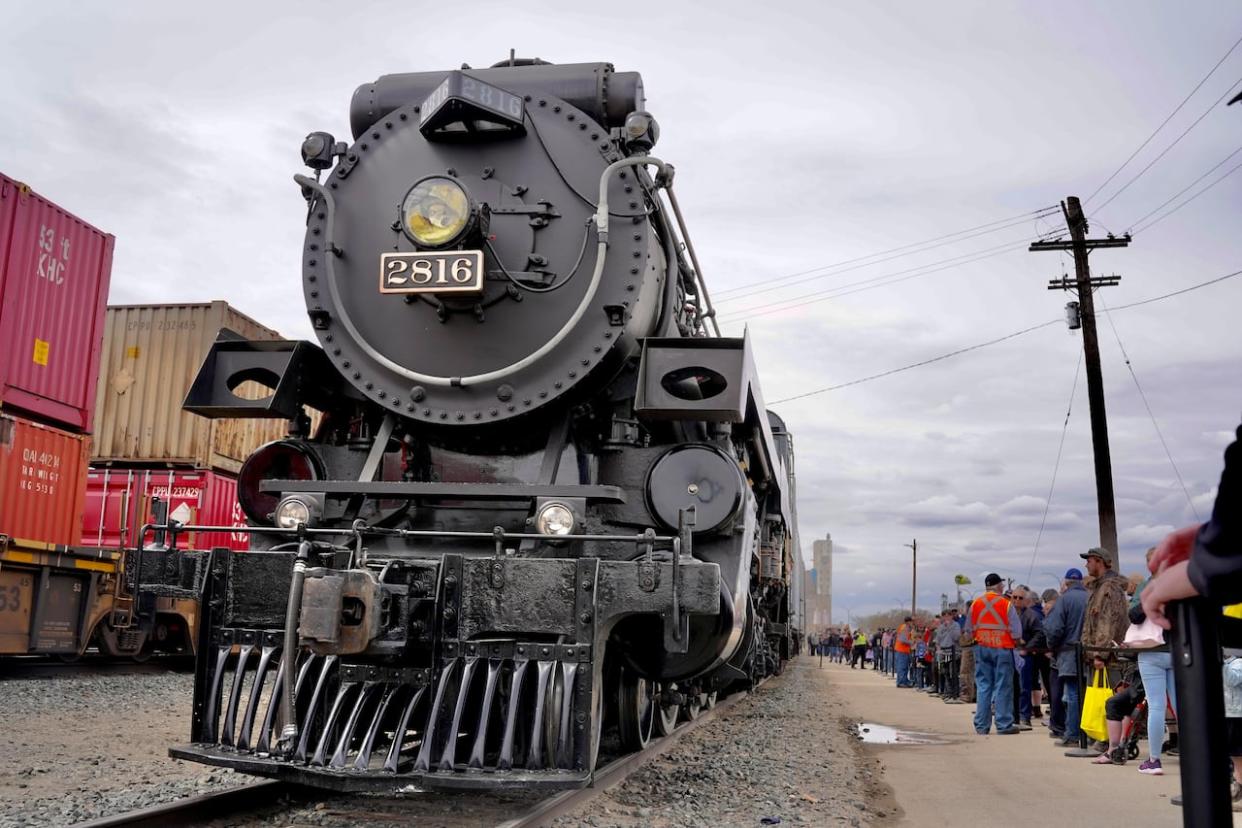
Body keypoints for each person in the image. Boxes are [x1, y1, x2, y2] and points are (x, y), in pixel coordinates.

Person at [966, 573, 1023, 735]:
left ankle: (982, 726)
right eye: (1002, 585)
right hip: (1002, 648)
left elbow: (968, 630)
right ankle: (1004, 724)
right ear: (998, 586)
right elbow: (1017, 632)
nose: (1003, 587)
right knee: (1003, 686)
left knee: (984, 686)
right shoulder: (1006, 604)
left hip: (981, 647)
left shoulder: (975, 604)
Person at [1043, 568, 1088, 746]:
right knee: (1087, 694)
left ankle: (1072, 734)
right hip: (1091, 654)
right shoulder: (1091, 597)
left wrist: (1052, 647)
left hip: (1069, 654)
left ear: (1066, 583)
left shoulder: (1064, 600)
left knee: (1071, 694)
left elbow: (1053, 628)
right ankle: (1089, 734)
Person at [935, 608, 962, 703]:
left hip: (954, 652)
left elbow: (956, 637)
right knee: (945, 673)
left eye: (948, 615)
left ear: (951, 616)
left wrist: (949, 627)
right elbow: (938, 640)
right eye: (944, 615)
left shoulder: (956, 625)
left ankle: (955, 693)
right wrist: (938, 650)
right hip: (944, 652)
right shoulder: (941, 627)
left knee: (953, 673)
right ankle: (948, 692)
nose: (946, 617)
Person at [894, 616, 914, 688]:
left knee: (903, 667)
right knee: (902, 667)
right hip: (902, 650)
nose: (912, 623)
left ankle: (903, 681)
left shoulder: (904, 627)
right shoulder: (905, 628)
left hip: (902, 650)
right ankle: (902, 682)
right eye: (912, 622)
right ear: (909, 622)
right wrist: (912, 642)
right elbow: (903, 639)